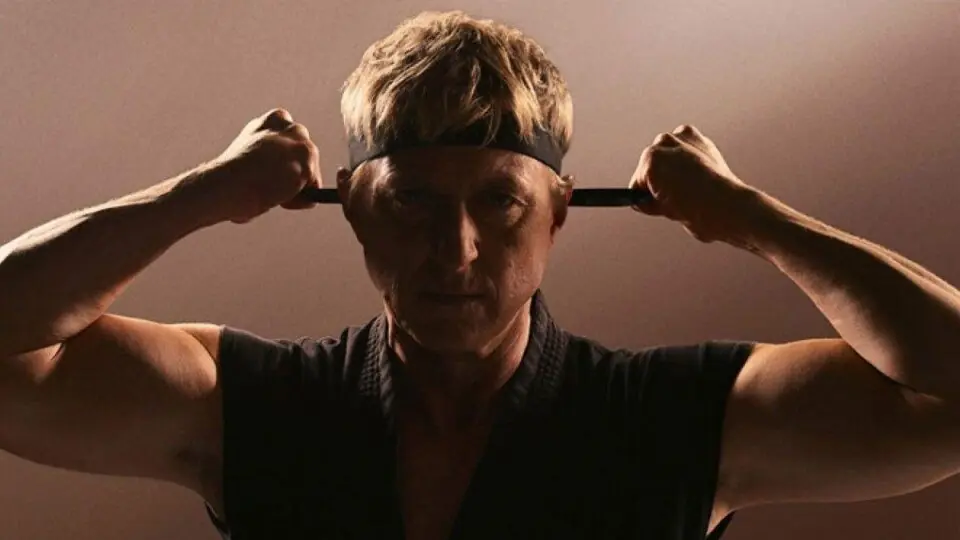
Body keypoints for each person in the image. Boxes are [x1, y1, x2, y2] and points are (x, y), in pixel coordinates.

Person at [1, 9, 959, 540]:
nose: (454, 250)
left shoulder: (676, 420)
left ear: (558, 212)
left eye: (498, 202)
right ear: (354, 207)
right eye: (413, 201)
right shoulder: (249, 404)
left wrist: (752, 219)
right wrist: (200, 195)